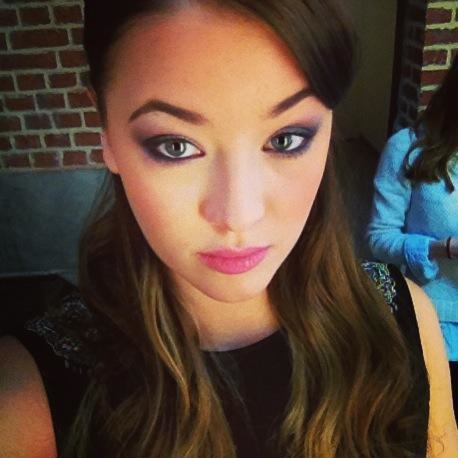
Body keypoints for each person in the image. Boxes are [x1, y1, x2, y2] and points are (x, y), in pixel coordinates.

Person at [1, 1, 456, 457]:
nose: (239, 214)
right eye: (175, 146)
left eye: (285, 139)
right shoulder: (26, 401)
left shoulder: (404, 322)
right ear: (105, 130)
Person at [367, 55, 458, 420]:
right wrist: (443, 248)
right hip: (436, 320)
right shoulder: (407, 148)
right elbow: (379, 237)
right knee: (436, 425)